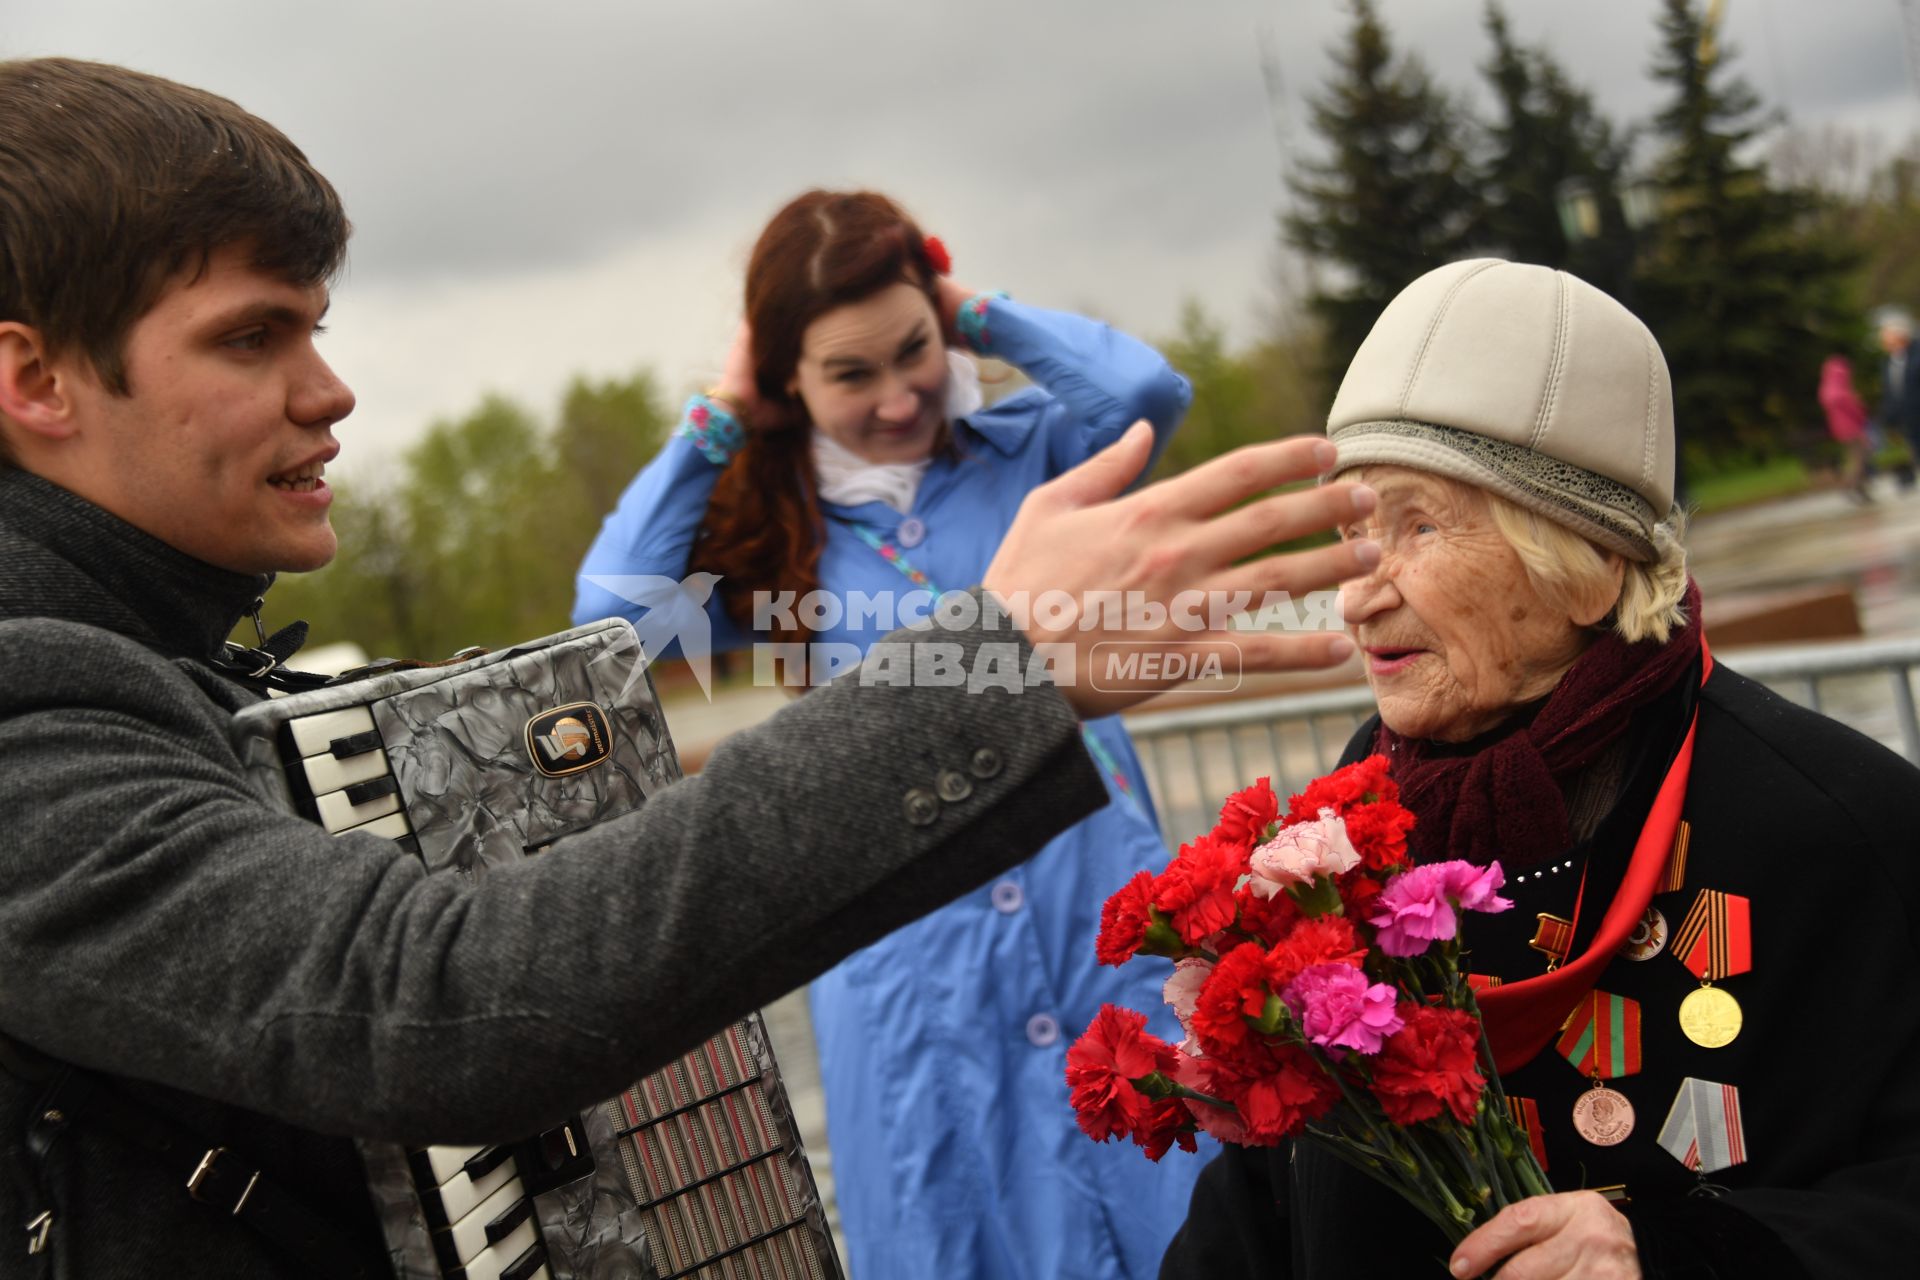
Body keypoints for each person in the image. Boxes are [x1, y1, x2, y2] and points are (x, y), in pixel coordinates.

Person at [0, 59, 1384, 1279]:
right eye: (254, 335)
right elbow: (432, 999)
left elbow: (1137, 393)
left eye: (315, 323)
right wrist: (993, 662)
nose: (331, 387)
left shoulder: (164, 659)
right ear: (37, 379)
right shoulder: (28, 696)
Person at [1160, 260, 1920, 1280]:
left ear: (1592, 560)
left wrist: (1675, 1256)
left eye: (1417, 524)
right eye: (1351, 530)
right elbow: (1267, 1204)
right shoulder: (1346, 820)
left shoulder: (1837, 823)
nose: (1354, 595)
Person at [573, 189, 1207, 1279]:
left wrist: (974, 311)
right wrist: (722, 409)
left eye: (913, 349)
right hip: (918, 977)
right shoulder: (771, 537)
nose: (899, 395)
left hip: (1099, 920)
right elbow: (615, 618)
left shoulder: (1032, 457)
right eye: (849, 373)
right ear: (791, 384)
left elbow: (1146, 392)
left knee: (1195, 1221)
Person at [1816, 354, 1874, 502]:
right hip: (1853, 428)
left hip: (1841, 430)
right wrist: (1862, 419)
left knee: (1855, 458)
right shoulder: (1842, 391)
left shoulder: (1826, 390)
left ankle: (1859, 488)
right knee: (1860, 459)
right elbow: (1855, 411)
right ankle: (1851, 486)